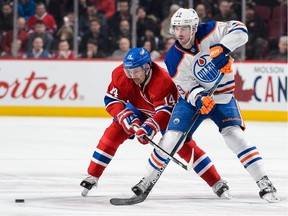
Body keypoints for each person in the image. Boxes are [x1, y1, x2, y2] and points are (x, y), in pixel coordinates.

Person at [131, 8, 280, 203]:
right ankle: (146, 181)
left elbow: (241, 30)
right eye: (176, 28)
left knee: (235, 137)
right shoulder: (173, 58)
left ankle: (264, 181)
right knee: (171, 137)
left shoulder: (211, 30)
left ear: (194, 27)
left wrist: (223, 48)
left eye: (184, 27)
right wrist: (198, 97)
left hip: (222, 97)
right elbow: (185, 87)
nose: (179, 33)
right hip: (192, 102)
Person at [80, 47, 231, 198]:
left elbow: (164, 113)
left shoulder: (163, 81)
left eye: (136, 71)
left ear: (147, 67)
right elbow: (112, 100)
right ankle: (93, 175)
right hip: (139, 108)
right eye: (129, 71)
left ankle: (216, 182)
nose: (132, 76)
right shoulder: (120, 74)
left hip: (166, 113)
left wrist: (147, 129)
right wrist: (125, 116)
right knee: (113, 132)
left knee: (183, 146)